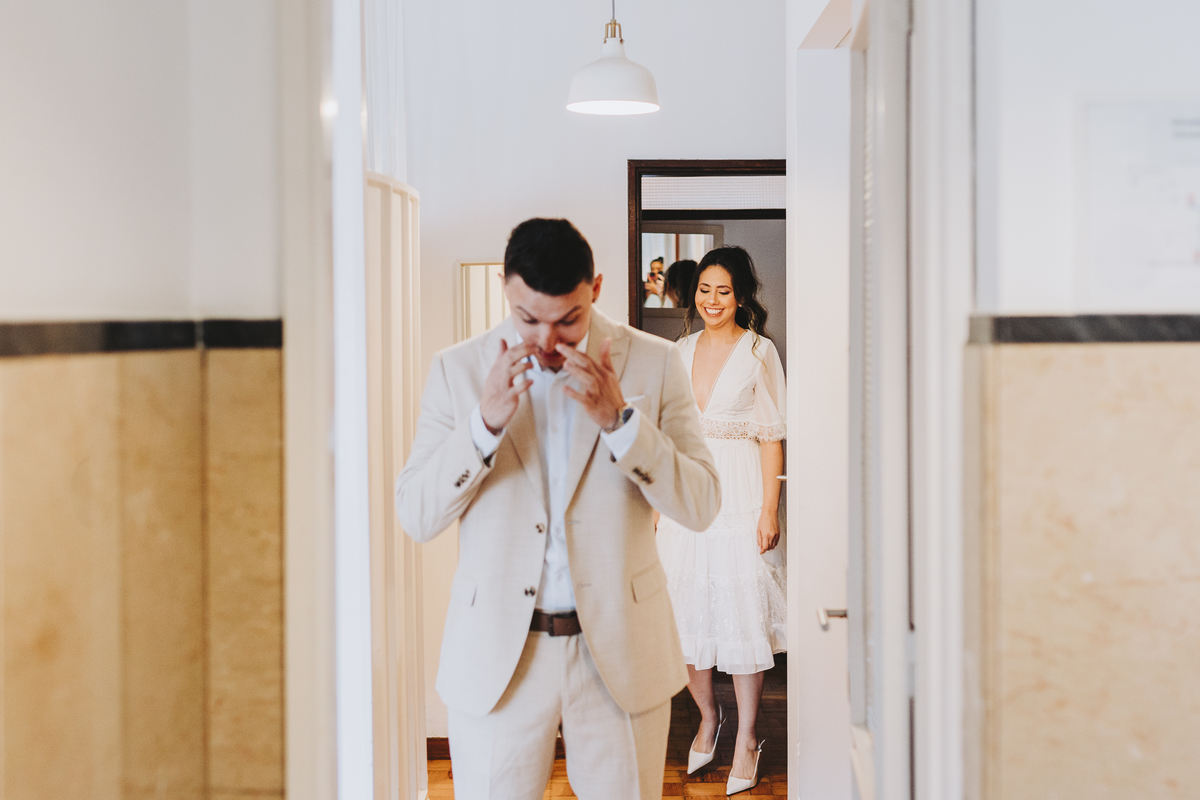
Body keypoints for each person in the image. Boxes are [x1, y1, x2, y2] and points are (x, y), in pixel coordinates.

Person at [395, 218, 721, 799]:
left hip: (621, 653)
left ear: (594, 289)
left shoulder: (656, 361)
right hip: (497, 656)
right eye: (528, 320)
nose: (547, 341)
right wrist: (483, 424)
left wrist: (624, 426)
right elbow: (418, 515)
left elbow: (700, 505)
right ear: (505, 288)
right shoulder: (458, 370)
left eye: (567, 320)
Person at [654, 246, 787, 796]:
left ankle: (747, 737)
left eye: (723, 291)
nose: (712, 301)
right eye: (705, 290)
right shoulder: (678, 351)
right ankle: (709, 717)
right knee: (685, 617)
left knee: (741, 616)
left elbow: (772, 436)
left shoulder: (759, 352)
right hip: (688, 496)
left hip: (741, 496)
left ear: (741, 296)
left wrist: (768, 510)